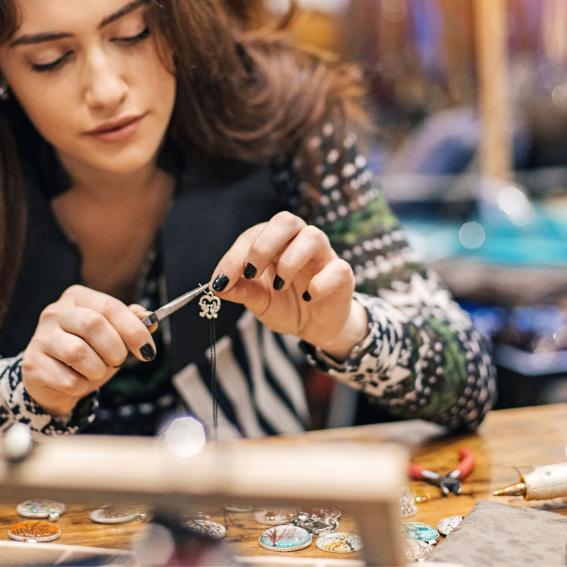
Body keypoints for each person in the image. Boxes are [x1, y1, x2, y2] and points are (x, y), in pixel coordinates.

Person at [0, 0, 494, 440]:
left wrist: (344, 326)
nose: (106, 89)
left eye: (133, 31)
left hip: (259, 531)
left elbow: (470, 381)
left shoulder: (283, 115)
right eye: (51, 59)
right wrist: (24, 388)